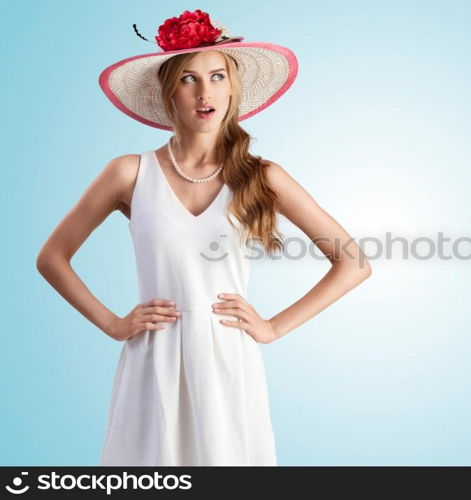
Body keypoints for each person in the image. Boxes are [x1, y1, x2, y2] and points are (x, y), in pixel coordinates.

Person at [35, 9, 372, 466]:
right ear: (168, 91)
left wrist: (273, 327)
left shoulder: (262, 176)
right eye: (189, 79)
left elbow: (353, 262)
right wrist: (113, 324)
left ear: (232, 88)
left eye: (216, 76)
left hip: (228, 363)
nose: (205, 91)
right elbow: (52, 257)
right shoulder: (129, 172)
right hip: (152, 361)